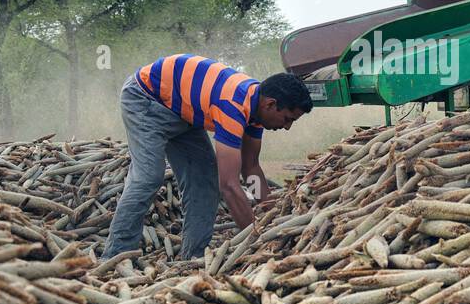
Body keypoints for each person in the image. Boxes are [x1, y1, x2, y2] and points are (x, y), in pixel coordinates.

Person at [101, 55, 312, 260]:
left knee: (204, 179)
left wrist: (271, 213)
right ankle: (115, 255)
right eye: (287, 119)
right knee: (148, 176)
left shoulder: (256, 108)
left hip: (183, 110)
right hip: (145, 99)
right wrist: (258, 238)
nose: (287, 127)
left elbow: (250, 168)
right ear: (270, 105)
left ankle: (193, 256)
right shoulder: (232, 105)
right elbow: (229, 185)